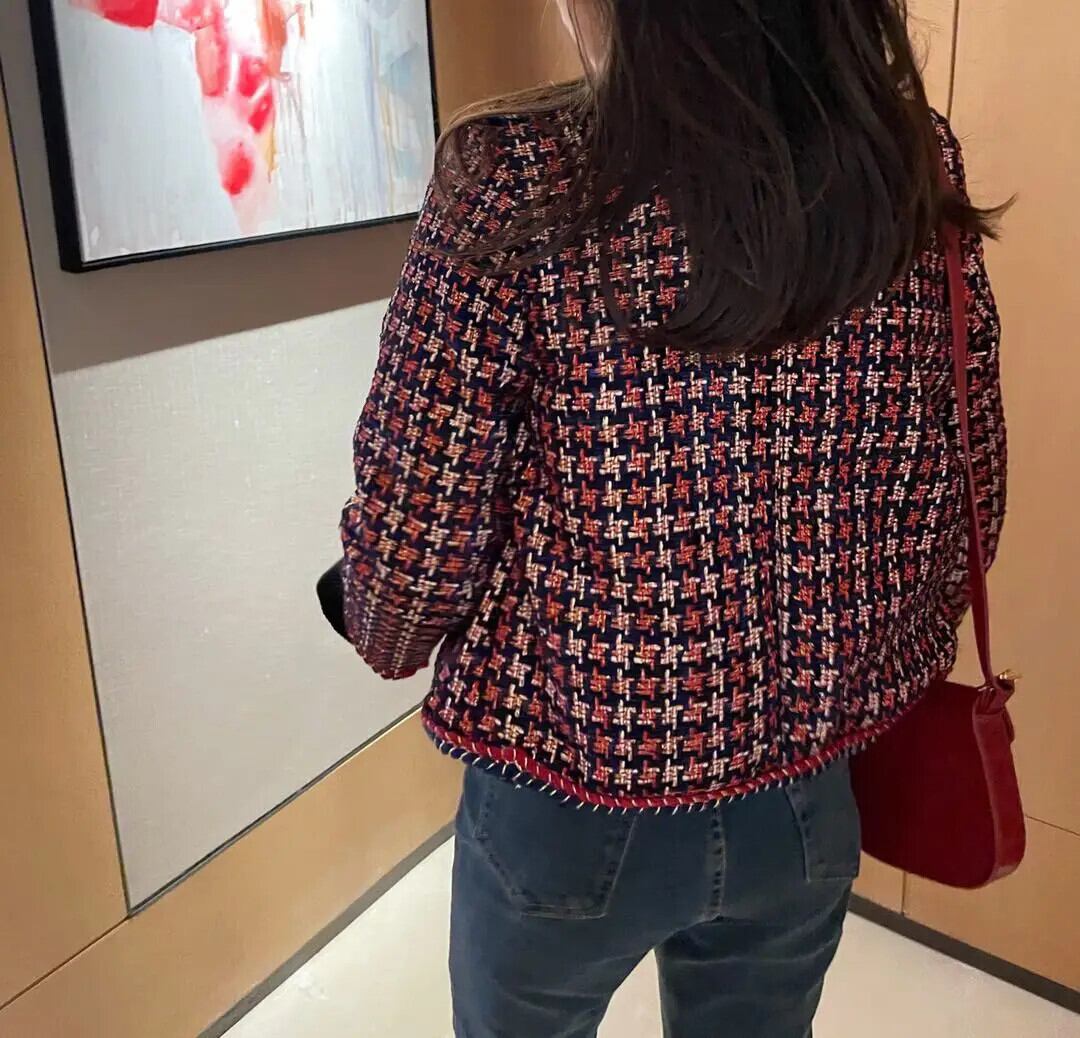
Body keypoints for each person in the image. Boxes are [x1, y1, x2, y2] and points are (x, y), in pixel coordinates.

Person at [338, 1, 1006, 1035]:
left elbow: (417, 527)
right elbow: (966, 485)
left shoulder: (521, 173)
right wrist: (860, 663)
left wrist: (382, 631)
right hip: (805, 786)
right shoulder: (904, 161)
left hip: (571, 783)